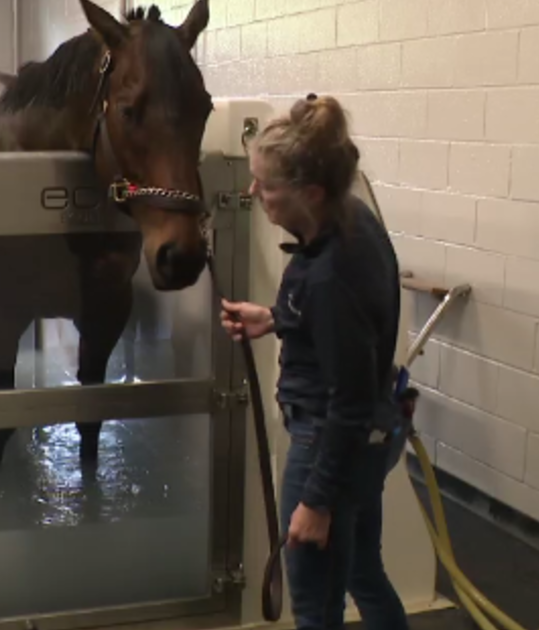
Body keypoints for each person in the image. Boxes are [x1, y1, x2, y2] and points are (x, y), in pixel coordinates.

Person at [219, 94, 410, 630]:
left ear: (310, 192)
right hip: (373, 433)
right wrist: (277, 317)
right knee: (364, 572)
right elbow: (350, 329)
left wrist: (318, 501)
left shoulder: (329, 276)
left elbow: (346, 402)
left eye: (267, 185)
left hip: (329, 442)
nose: (255, 193)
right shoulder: (353, 219)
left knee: (314, 604)